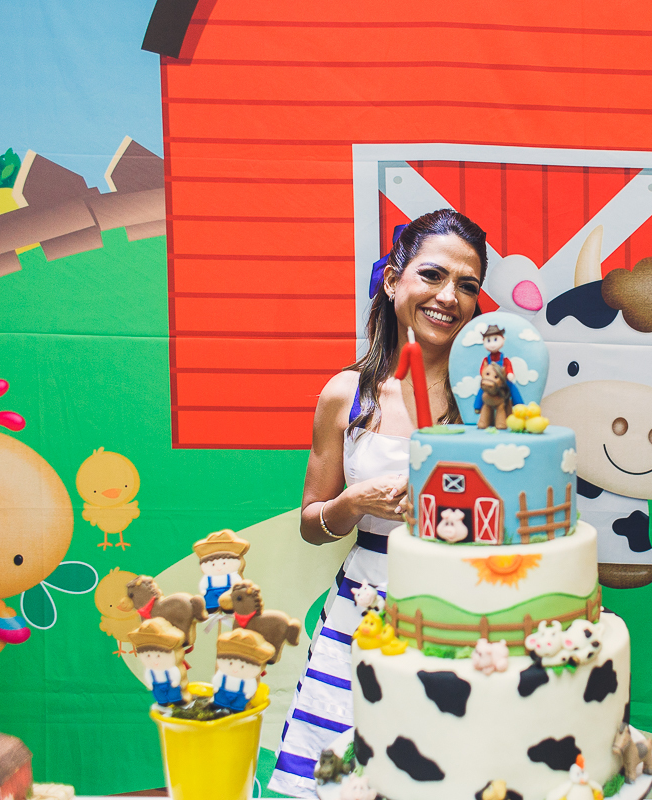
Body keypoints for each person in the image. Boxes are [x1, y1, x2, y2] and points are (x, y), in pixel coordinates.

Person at [270, 209, 487, 798]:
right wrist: (352, 502)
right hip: (359, 620)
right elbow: (311, 525)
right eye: (433, 275)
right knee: (339, 778)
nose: (448, 297)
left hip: (460, 624)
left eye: (467, 285)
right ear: (393, 280)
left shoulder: (491, 400)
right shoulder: (348, 394)